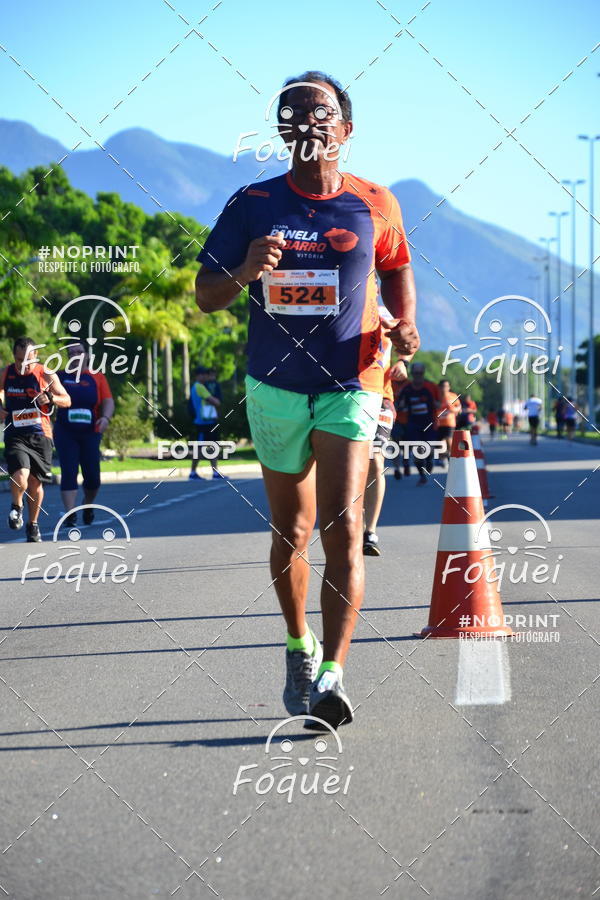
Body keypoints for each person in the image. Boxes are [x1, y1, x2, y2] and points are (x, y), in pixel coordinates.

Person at [195, 71, 420, 728]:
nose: (306, 121)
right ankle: (299, 646)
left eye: (320, 111)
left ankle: (332, 675)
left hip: (353, 381)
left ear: (345, 130)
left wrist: (406, 324)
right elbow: (205, 296)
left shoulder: (376, 202)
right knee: (292, 530)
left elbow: (397, 266)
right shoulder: (253, 204)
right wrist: (245, 271)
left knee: (342, 527)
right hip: (274, 386)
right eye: (292, 112)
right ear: (281, 130)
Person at [0, 337, 71, 541]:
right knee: (20, 474)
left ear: (36, 356)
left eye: (28, 360)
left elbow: (67, 399)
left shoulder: (45, 373)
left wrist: (51, 398)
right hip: (15, 434)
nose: (23, 365)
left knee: (35, 483)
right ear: (14, 356)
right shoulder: (6, 372)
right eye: (19, 360)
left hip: (41, 435)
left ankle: (33, 524)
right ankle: (16, 507)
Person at [54, 342, 114, 526]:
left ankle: (87, 504)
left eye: (79, 352)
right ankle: (70, 513)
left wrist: (105, 418)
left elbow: (108, 401)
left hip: (91, 432)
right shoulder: (60, 377)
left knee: (93, 477)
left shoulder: (97, 377)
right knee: (69, 471)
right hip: (65, 432)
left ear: (87, 355)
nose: (76, 355)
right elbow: (48, 399)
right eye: (71, 353)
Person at [363, 307, 395, 557]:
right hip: (343, 396)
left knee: (375, 460)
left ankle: (370, 531)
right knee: (347, 465)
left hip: (381, 398)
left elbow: (407, 338)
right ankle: (350, 523)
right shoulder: (341, 305)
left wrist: (404, 362)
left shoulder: (385, 313)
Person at [396, 362, 438, 485]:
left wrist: (437, 405)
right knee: (417, 450)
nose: (418, 376)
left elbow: (440, 402)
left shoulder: (431, 387)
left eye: (420, 373)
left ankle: (429, 460)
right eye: (415, 373)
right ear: (412, 374)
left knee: (429, 448)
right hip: (413, 423)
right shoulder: (407, 388)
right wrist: (399, 406)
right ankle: (422, 475)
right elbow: (400, 403)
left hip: (429, 423)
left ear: (423, 373)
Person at [189, 366, 223, 480]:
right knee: (200, 448)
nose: (205, 376)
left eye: (205, 374)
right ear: (197, 376)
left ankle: (214, 472)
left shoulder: (197, 387)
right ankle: (193, 472)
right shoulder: (200, 387)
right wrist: (217, 400)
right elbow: (215, 402)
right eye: (202, 374)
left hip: (206, 421)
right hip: (203, 422)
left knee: (212, 446)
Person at [390, 359, 410, 479]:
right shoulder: (389, 383)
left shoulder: (410, 385)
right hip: (395, 420)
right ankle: (397, 468)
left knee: (406, 444)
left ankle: (406, 462)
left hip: (408, 420)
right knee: (396, 444)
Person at [436, 379, 461, 468]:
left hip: (449, 422)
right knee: (440, 443)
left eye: (446, 386)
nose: (444, 388)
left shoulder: (453, 396)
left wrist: (454, 409)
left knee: (449, 441)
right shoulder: (436, 396)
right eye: (442, 386)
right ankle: (443, 459)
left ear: (449, 387)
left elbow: (459, 407)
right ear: (439, 387)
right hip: (438, 423)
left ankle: (451, 457)